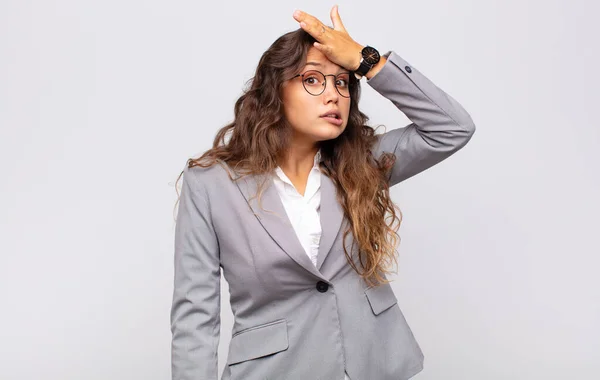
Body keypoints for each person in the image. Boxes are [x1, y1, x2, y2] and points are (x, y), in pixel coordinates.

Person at [170, 5, 476, 380]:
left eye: (342, 82)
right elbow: (195, 316)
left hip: (372, 367)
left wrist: (366, 61)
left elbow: (453, 128)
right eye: (313, 80)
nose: (333, 95)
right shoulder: (210, 183)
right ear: (274, 92)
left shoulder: (361, 163)